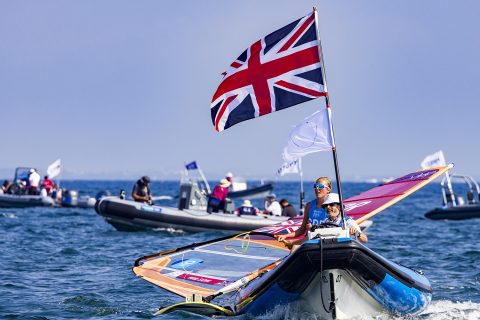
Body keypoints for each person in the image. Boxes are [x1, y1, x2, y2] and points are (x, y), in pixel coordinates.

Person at [277, 176, 332, 243]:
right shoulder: (309, 206)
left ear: (328, 189)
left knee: (294, 246)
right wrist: (285, 236)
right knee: (294, 247)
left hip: (324, 242)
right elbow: (302, 229)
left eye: (320, 186)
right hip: (309, 241)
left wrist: (294, 242)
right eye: (315, 186)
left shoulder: (333, 207)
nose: (317, 189)